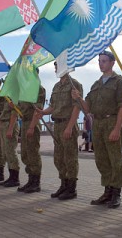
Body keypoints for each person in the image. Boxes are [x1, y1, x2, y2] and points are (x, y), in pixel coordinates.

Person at [72, 51, 122, 209]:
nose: (101, 63)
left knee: (115, 160)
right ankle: (107, 191)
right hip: (97, 124)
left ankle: (116, 194)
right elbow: (87, 107)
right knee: (101, 160)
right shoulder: (96, 84)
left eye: (104, 61)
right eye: (99, 61)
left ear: (112, 63)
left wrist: (117, 128)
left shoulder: (119, 82)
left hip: (111, 121)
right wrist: (79, 98)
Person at [34, 61, 83, 200]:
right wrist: (43, 112)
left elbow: (77, 107)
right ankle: (64, 184)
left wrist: (69, 127)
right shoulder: (56, 86)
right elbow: (53, 106)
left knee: (70, 157)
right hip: (58, 125)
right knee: (59, 158)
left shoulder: (75, 85)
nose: (56, 69)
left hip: (68, 123)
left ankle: (71, 188)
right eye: (55, 67)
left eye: (58, 67)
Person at [16, 84, 46, 193]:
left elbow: (38, 109)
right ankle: (30, 180)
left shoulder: (38, 88)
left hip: (32, 122)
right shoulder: (25, 89)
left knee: (33, 152)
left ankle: (36, 183)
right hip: (24, 122)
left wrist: (32, 126)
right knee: (25, 153)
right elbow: (22, 108)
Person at [0, 100, 21, 187]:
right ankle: (11, 176)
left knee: (10, 151)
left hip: (9, 124)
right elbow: (5, 114)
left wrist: (10, 129)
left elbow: (14, 113)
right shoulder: (7, 97)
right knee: (5, 152)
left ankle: (15, 178)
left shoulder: (14, 96)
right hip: (4, 123)